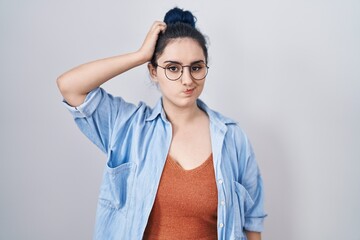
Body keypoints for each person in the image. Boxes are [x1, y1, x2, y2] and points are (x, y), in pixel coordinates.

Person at [57, 7, 266, 240]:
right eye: (173, 68)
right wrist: (139, 55)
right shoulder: (128, 127)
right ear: (153, 71)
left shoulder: (232, 138)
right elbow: (70, 86)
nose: (187, 80)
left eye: (196, 67)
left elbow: (252, 223)